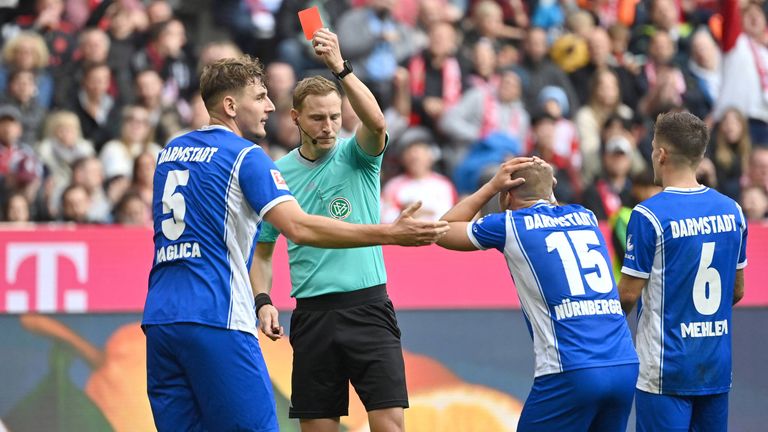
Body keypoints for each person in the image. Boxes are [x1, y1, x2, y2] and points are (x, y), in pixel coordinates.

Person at [141, 54, 448, 432]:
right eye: (260, 97)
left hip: (160, 319)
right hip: (219, 314)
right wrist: (391, 233)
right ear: (231, 105)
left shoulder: (169, 154)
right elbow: (298, 229)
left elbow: (377, 123)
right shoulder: (249, 158)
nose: (269, 105)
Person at [252, 28, 410, 432]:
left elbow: (376, 120)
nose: (327, 126)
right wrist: (264, 300)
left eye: (335, 117)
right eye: (317, 118)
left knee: (389, 426)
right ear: (295, 118)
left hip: (369, 307)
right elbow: (264, 252)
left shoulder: (358, 156)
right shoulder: (277, 173)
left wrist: (341, 69)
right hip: (313, 316)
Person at [436, 157, 639, 431]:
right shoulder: (587, 216)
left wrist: (490, 187)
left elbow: (442, 230)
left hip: (570, 369)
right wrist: (545, 184)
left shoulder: (509, 224)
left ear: (507, 196)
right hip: (624, 363)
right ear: (552, 189)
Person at [618, 112, 748, 432]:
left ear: (661, 154)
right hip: (715, 366)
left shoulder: (649, 214)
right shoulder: (732, 211)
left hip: (666, 370)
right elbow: (737, 290)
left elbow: (628, 297)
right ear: (700, 156)